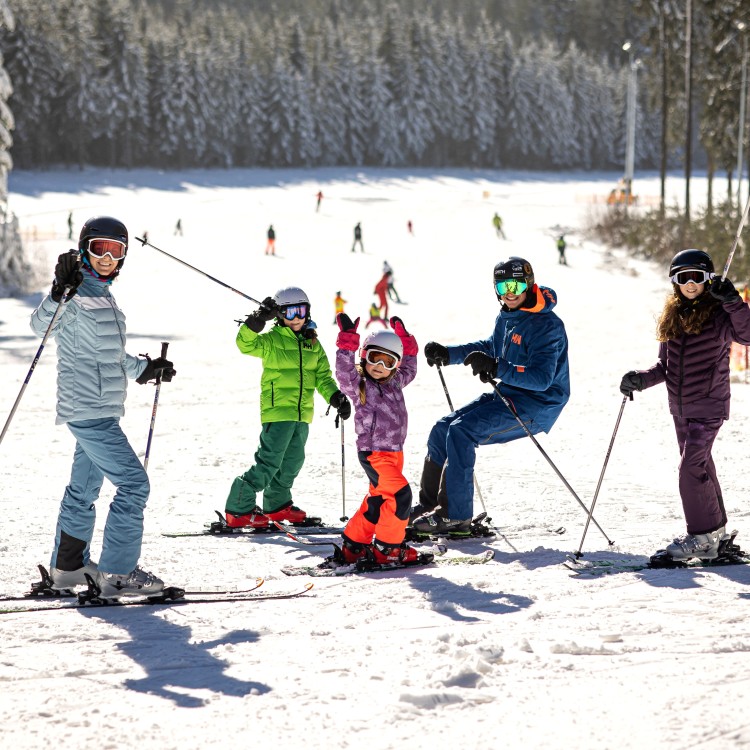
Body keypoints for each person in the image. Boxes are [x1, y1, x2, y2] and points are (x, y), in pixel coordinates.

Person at [29, 216, 176, 597]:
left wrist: (145, 369)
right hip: (87, 409)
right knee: (134, 484)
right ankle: (117, 573)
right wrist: (60, 289)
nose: (108, 257)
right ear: (85, 249)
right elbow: (40, 324)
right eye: (100, 248)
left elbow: (108, 355)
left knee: (84, 489)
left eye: (116, 250)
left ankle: (69, 567)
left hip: (101, 408)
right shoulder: (75, 292)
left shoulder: (103, 294)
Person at [411, 257, 570, 533]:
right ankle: (428, 505)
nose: (509, 291)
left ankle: (455, 515)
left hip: (537, 404)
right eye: (502, 285)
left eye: (516, 283)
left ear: (529, 284)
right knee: (441, 429)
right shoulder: (507, 316)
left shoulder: (547, 326)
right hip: (508, 394)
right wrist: (449, 354)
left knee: (461, 433)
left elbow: (542, 378)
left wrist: (499, 367)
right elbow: (491, 347)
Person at [619, 249, 750, 561]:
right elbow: (664, 367)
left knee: (689, 469)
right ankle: (715, 533)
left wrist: (732, 301)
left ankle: (701, 537)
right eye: (683, 277)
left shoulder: (720, 314)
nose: (691, 283)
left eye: (697, 277)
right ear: (674, 282)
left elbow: (747, 335)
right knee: (701, 467)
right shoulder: (673, 317)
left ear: (708, 279)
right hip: (680, 408)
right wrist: (639, 378)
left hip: (709, 405)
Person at [224, 287, 351, 528]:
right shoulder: (271, 340)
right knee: (269, 461)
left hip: (302, 413)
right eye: (289, 312)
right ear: (280, 315)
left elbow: (323, 377)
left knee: (292, 461)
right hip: (278, 410)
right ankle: (238, 507)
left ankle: (277, 504)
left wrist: (335, 397)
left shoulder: (313, 343)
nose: (296, 318)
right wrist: (258, 318)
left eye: (300, 311)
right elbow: (245, 344)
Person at [333, 315, 421, 565]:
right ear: (364, 356)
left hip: (394, 454)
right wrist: (347, 342)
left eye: (388, 361)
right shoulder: (359, 384)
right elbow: (343, 373)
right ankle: (388, 548)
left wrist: (406, 341)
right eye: (374, 358)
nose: (379, 366)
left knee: (379, 499)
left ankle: (354, 543)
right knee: (401, 495)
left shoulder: (395, 382)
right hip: (374, 454)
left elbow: (411, 367)